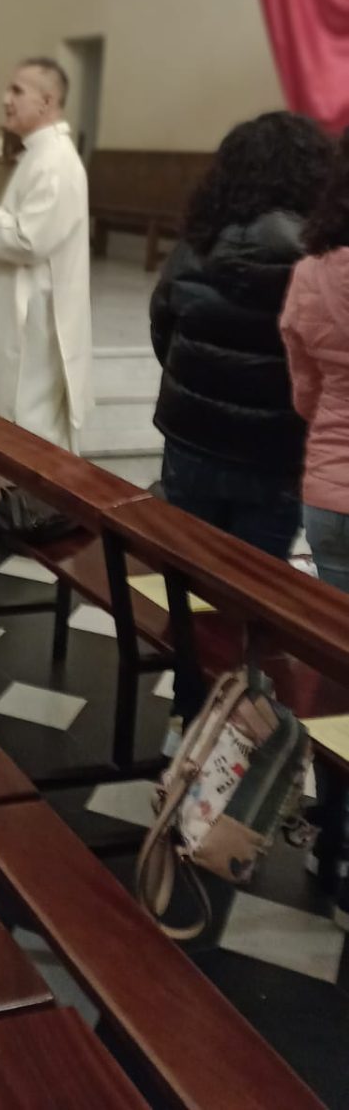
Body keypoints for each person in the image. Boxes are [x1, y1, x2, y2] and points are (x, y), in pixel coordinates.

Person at [150, 110, 330, 559]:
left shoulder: (194, 246)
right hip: (276, 452)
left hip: (192, 436)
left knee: (184, 570)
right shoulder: (319, 262)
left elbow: (162, 331)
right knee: (254, 582)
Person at [0, 57, 91, 449]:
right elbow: (16, 229)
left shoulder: (56, 162)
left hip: (35, 324)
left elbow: (29, 241)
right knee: (6, 425)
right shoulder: (38, 155)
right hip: (17, 309)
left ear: (47, 101)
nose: (5, 99)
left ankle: (25, 492)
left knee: (29, 429)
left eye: (17, 91)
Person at [279, 129, 349, 927]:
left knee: (337, 669)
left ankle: (333, 833)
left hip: (329, 496)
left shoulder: (311, 272)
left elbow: (302, 391)